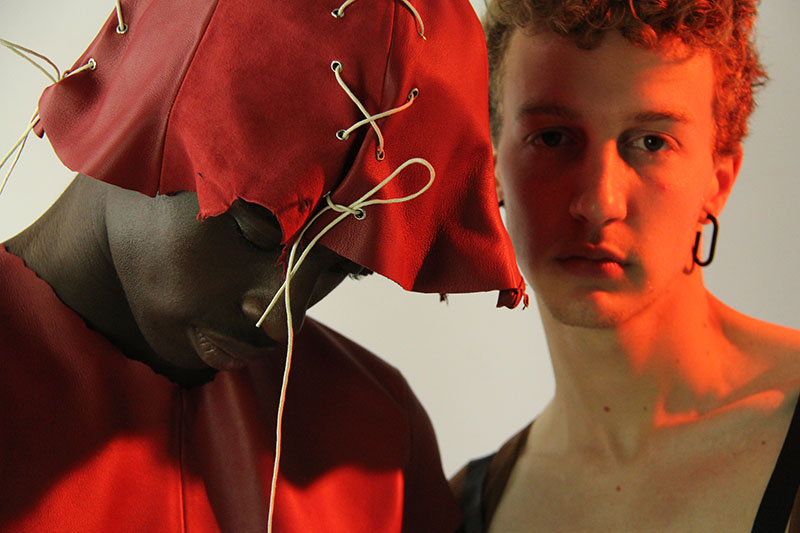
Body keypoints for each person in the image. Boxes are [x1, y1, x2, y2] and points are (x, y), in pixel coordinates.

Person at [0, 0, 527, 531]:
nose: (279, 321)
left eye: (345, 266)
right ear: (144, 94)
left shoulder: (378, 436)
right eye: (258, 230)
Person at [451, 0, 800, 531]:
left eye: (652, 143)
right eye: (552, 138)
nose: (599, 202)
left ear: (718, 181)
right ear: (493, 168)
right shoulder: (464, 508)